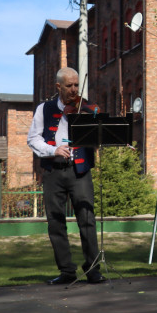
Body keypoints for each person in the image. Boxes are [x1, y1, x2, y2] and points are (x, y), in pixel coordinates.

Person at [26, 67, 105, 285]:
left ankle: (93, 269)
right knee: (55, 222)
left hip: (80, 170)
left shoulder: (87, 107)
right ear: (58, 86)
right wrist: (53, 150)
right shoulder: (45, 108)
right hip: (53, 171)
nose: (73, 90)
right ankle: (66, 271)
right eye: (69, 86)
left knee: (87, 219)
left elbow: (99, 134)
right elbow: (33, 139)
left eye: (76, 85)